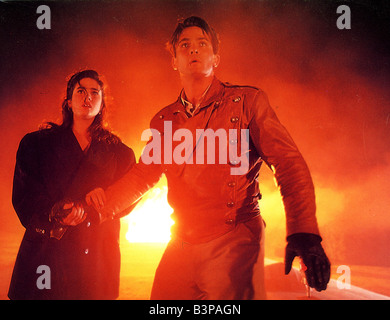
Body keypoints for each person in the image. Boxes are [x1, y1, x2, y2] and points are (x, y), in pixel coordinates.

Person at [94, 16, 331, 299]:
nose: (193, 50)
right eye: (185, 45)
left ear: (215, 57)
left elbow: (287, 162)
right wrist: (95, 207)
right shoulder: (164, 119)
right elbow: (143, 176)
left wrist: (303, 232)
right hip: (181, 239)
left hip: (235, 238)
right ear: (174, 60)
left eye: (202, 44)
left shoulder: (247, 102)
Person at [8, 69, 136, 300]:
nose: (88, 97)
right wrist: (55, 212)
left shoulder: (120, 153)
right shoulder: (36, 144)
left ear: (102, 103)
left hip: (95, 255)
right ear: (68, 102)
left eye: (95, 93)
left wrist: (106, 194)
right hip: (47, 253)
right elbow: (24, 197)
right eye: (81, 91)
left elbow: (129, 196)